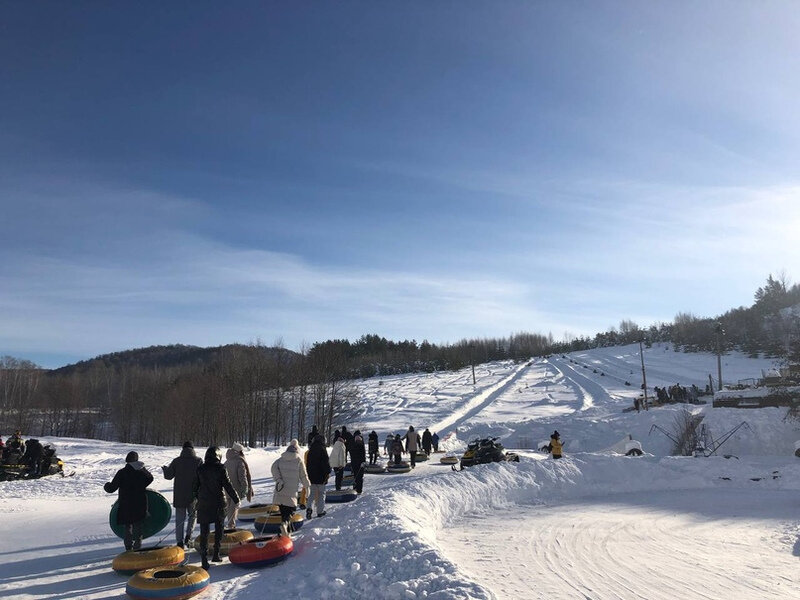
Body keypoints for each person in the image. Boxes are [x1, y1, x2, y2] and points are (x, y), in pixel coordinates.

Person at [194, 446, 238, 569]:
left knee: (204, 532)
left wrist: (198, 498)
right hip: (218, 502)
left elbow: (195, 487)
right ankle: (216, 554)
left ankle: (204, 559)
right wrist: (236, 498)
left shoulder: (200, 469)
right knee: (219, 529)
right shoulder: (221, 468)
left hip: (204, 503)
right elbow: (227, 485)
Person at [104, 451, 154, 551]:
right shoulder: (141, 472)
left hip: (126, 503)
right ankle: (137, 547)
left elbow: (111, 488)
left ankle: (128, 548)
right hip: (140, 503)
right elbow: (150, 478)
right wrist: (143, 469)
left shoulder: (122, 472)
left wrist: (106, 485)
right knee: (138, 525)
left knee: (128, 526)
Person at [162, 441, 202, 548]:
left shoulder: (177, 461)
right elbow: (202, 477)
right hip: (193, 495)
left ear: (183, 449)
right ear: (193, 449)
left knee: (180, 519)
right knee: (192, 516)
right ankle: (189, 536)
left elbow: (168, 476)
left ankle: (179, 541)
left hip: (179, 495)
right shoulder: (198, 461)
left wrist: (165, 469)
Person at [271, 439, 310, 537]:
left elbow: (273, 468)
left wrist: (278, 479)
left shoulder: (280, 460)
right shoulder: (298, 460)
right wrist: (307, 486)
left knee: (283, 511)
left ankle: (286, 532)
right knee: (291, 510)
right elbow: (303, 476)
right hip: (291, 492)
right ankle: (284, 525)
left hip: (281, 490)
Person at [224, 443, 253, 529]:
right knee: (234, 508)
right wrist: (245, 488)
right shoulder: (239, 461)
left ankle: (230, 524)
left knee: (229, 507)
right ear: (239, 451)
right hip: (236, 489)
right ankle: (231, 526)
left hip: (227, 489)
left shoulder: (226, 461)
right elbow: (242, 477)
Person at [305, 434, 330, 519]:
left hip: (312, 476)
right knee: (321, 494)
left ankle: (309, 508)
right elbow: (326, 463)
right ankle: (320, 511)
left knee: (311, 493)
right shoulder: (323, 449)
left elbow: (307, 464)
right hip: (321, 476)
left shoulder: (310, 450)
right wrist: (327, 472)